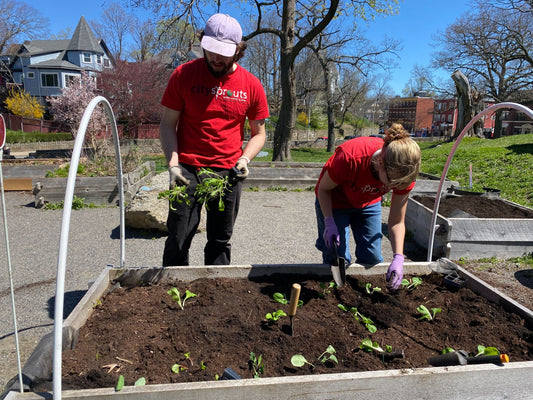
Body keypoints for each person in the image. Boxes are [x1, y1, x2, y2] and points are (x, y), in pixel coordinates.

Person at [159, 13, 269, 266]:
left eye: (224, 53)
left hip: (228, 170)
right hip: (187, 167)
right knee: (178, 237)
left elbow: (259, 134)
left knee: (220, 239)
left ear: (239, 50)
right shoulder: (183, 75)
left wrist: (244, 159)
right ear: (203, 43)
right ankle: (173, 290)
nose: (217, 58)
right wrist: (173, 162)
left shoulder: (251, 85)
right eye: (212, 51)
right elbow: (167, 123)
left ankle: (216, 288)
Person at [315, 123, 421, 290]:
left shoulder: (403, 175)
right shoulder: (350, 157)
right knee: (339, 256)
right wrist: (329, 221)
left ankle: (359, 293)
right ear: (380, 162)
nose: (395, 187)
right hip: (335, 201)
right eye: (392, 182)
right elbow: (323, 188)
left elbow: (396, 221)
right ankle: (332, 290)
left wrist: (398, 256)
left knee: (372, 258)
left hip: (368, 203)